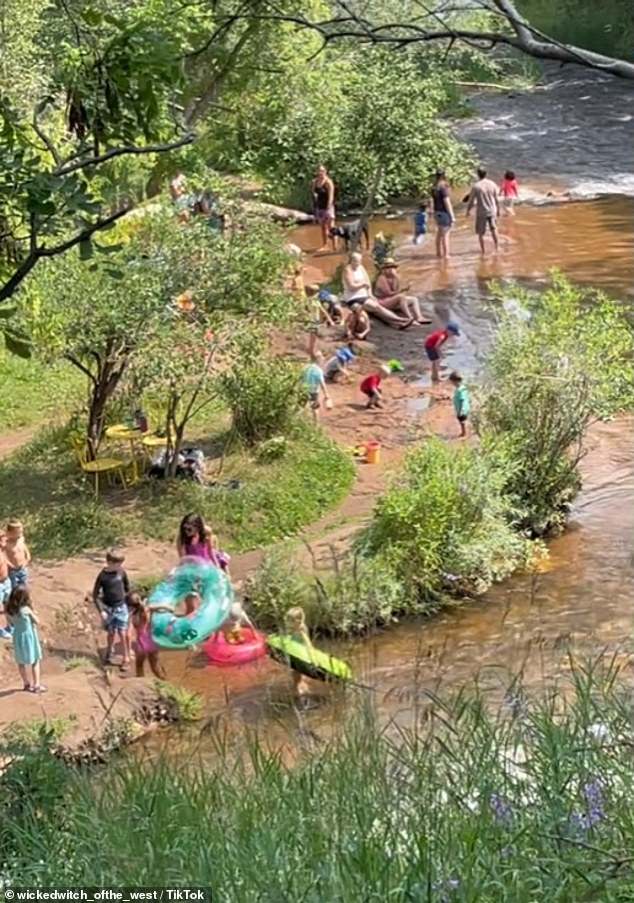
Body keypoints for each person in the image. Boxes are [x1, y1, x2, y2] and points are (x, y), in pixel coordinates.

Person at [342, 252, 410, 330]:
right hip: (354, 298)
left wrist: (370, 294)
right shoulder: (347, 270)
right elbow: (351, 287)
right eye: (356, 261)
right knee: (377, 307)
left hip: (364, 296)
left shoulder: (361, 267)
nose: (358, 263)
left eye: (360, 261)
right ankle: (400, 319)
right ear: (351, 261)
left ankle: (397, 324)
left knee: (377, 310)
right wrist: (362, 284)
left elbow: (368, 282)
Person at [91, 549, 131, 669]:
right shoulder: (102, 576)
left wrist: (128, 602)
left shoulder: (121, 572)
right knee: (111, 632)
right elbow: (95, 595)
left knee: (122, 632)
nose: (119, 567)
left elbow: (127, 587)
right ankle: (109, 651)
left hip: (121, 607)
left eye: (120, 564)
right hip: (108, 608)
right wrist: (101, 610)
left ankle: (126, 658)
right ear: (109, 562)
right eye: (117, 564)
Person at [6, 586, 45, 693]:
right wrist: (34, 613)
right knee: (35, 660)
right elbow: (37, 621)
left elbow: (11, 624)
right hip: (29, 637)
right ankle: (37, 685)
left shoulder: (9, 611)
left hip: (18, 637)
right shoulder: (26, 610)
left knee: (21, 662)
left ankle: (26, 683)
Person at [374, 259, 431, 326]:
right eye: (388, 268)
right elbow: (389, 293)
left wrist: (396, 278)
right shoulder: (381, 278)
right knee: (401, 296)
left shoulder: (395, 277)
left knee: (413, 299)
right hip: (383, 301)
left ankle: (419, 317)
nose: (390, 270)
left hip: (392, 300)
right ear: (384, 270)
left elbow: (396, 290)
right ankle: (409, 318)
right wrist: (403, 290)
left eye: (392, 267)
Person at [127, 591, 166, 679]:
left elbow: (128, 633)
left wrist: (129, 650)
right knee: (155, 666)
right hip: (151, 640)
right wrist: (169, 608)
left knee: (139, 665)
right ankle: (164, 680)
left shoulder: (132, 615)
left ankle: (141, 680)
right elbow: (161, 607)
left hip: (141, 641)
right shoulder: (147, 609)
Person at [466, 167, 501, 254]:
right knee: (494, 229)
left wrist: (468, 210)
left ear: (478, 175)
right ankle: (497, 247)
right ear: (486, 174)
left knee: (481, 232)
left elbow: (471, 201)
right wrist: (498, 210)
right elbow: (496, 199)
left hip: (481, 212)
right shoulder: (492, 184)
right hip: (492, 210)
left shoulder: (476, 186)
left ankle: (483, 251)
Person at [285, 606, 312, 700]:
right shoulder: (294, 629)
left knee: (297, 673)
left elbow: (307, 642)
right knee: (294, 673)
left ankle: (301, 690)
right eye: (288, 620)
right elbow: (290, 639)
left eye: (291, 620)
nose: (288, 623)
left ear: (298, 620)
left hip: (301, 654)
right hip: (295, 653)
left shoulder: (301, 629)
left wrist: (311, 653)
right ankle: (301, 688)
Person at [311, 165, 336, 252]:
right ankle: (325, 245)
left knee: (331, 227)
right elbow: (313, 193)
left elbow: (331, 196)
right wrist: (314, 206)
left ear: (325, 171)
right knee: (323, 227)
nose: (320, 173)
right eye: (319, 171)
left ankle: (335, 246)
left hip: (328, 207)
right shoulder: (315, 182)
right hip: (319, 207)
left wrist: (328, 208)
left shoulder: (328, 182)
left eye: (322, 171)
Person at [431, 171, 455, 260]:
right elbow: (447, 202)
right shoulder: (444, 187)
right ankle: (446, 255)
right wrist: (452, 216)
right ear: (444, 176)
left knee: (439, 234)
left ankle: (438, 253)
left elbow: (432, 201)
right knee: (446, 235)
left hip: (437, 212)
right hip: (444, 213)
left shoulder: (434, 187)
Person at [303, 352, 332, 423]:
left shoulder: (305, 368)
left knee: (301, 407)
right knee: (315, 409)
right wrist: (326, 394)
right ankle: (315, 425)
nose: (323, 359)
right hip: (313, 392)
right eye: (322, 358)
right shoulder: (318, 370)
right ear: (318, 359)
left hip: (303, 390)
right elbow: (322, 383)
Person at [6, 519, 31, 589]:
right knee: (15, 588)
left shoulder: (21, 540)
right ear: (9, 533)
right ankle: (14, 599)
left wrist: (27, 558)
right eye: (17, 533)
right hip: (13, 570)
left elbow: (25, 549)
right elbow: (3, 556)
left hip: (23, 568)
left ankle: (24, 599)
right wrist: (9, 564)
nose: (19, 534)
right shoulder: (7, 544)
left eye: (21, 532)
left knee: (24, 586)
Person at [449, 371, 470, 438]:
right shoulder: (462, 388)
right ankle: (464, 432)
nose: (452, 384)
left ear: (455, 381)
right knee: (462, 421)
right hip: (463, 408)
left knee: (462, 421)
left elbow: (463, 400)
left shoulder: (460, 390)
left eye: (452, 382)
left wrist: (462, 410)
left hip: (461, 409)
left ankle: (464, 433)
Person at [0, 530, 13, 639]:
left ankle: (10, 627)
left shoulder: (2, 551)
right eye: (4, 539)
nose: (7, 540)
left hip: (6, 581)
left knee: (8, 605)